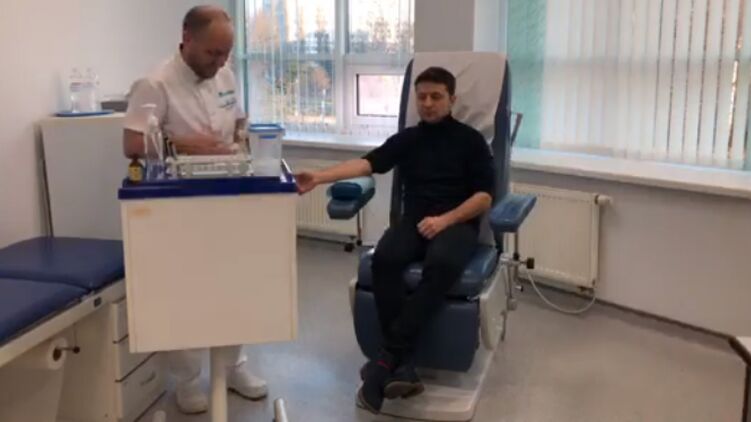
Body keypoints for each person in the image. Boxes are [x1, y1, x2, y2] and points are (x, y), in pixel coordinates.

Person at [295, 67, 494, 414]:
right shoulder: (408, 139)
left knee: (442, 263)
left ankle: (386, 359)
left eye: (436, 96)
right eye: (422, 97)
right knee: (384, 259)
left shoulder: (471, 141)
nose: (428, 103)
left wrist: (446, 220)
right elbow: (366, 164)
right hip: (414, 221)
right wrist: (319, 177)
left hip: (456, 222)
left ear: (452, 99)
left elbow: (484, 198)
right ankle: (400, 365)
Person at [121, 5, 266, 415]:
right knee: (183, 290)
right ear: (187, 38)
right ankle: (187, 379)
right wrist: (185, 144)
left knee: (231, 283)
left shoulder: (225, 74)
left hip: (227, 194)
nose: (219, 62)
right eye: (212, 53)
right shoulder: (154, 84)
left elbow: (239, 120)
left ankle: (233, 365)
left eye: (226, 53)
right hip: (178, 201)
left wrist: (240, 136)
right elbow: (131, 145)